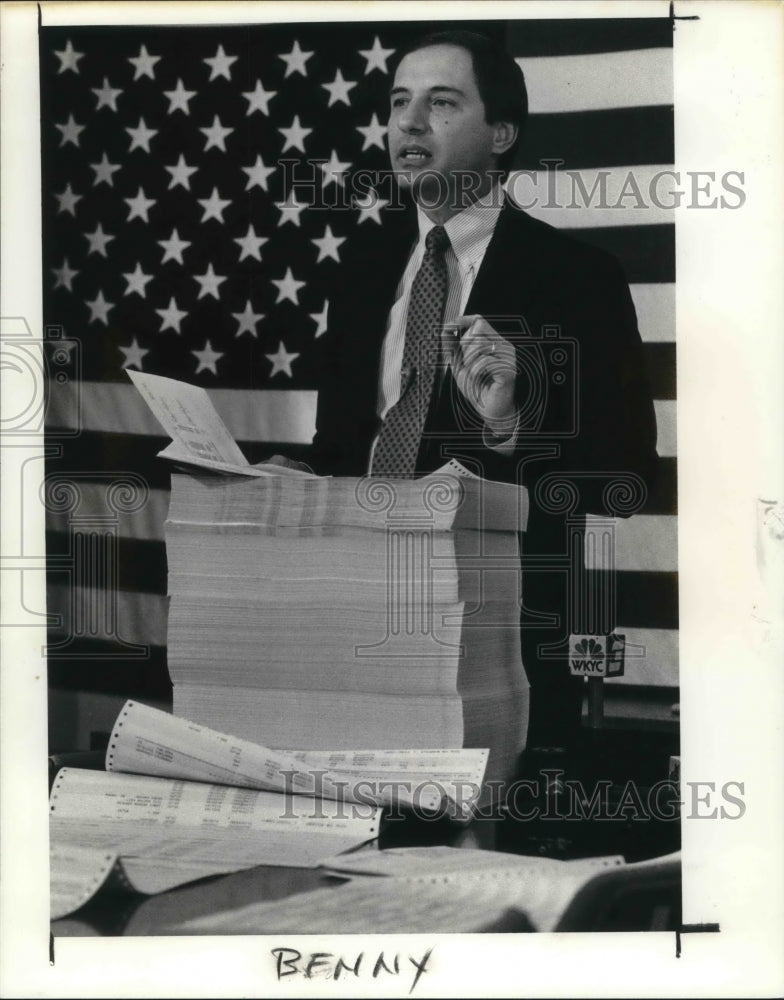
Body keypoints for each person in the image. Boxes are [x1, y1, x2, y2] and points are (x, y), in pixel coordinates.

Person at [268, 30, 658, 750]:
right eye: (398, 103)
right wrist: (303, 479)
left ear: (501, 133)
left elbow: (626, 472)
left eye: (442, 103)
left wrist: (512, 425)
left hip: (501, 640)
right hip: (355, 617)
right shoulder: (361, 265)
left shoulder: (579, 277)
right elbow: (342, 448)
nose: (410, 124)